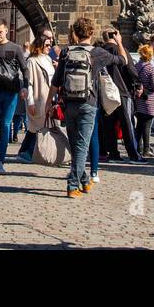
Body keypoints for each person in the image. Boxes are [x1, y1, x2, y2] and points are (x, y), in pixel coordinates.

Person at [47, 17, 119, 198]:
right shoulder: (97, 52)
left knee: (76, 144)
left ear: (75, 33)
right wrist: (119, 41)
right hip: (89, 103)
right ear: (91, 33)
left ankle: (85, 181)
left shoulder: (65, 52)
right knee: (82, 146)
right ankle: (72, 184)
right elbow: (123, 60)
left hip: (69, 103)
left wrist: (49, 102)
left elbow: (56, 81)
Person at [0, 19, 28, 173]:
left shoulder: (15, 48)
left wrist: (26, 87)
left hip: (10, 92)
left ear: (7, 30)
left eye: (0, 32)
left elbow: (24, 68)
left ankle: (1, 160)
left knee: (5, 126)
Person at [96, 29, 142, 161]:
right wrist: (138, 85)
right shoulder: (120, 50)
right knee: (127, 125)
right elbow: (130, 69)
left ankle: (114, 154)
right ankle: (134, 155)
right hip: (122, 91)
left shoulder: (100, 52)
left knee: (108, 126)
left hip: (105, 95)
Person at [18, 30, 56, 162]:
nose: (49, 47)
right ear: (39, 45)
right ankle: (26, 152)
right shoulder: (32, 61)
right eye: (46, 45)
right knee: (36, 127)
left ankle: (27, 152)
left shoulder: (48, 59)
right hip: (38, 98)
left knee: (39, 127)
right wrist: (30, 102)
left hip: (48, 97)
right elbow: (29, 83)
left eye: (50, 45)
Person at [132, 44, 154, 155]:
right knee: (147, 126)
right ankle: (146, 150)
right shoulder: (150, 68)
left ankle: (137, 149)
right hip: (149, 100)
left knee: (139, 125)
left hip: (139, 99)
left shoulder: (137, 66)